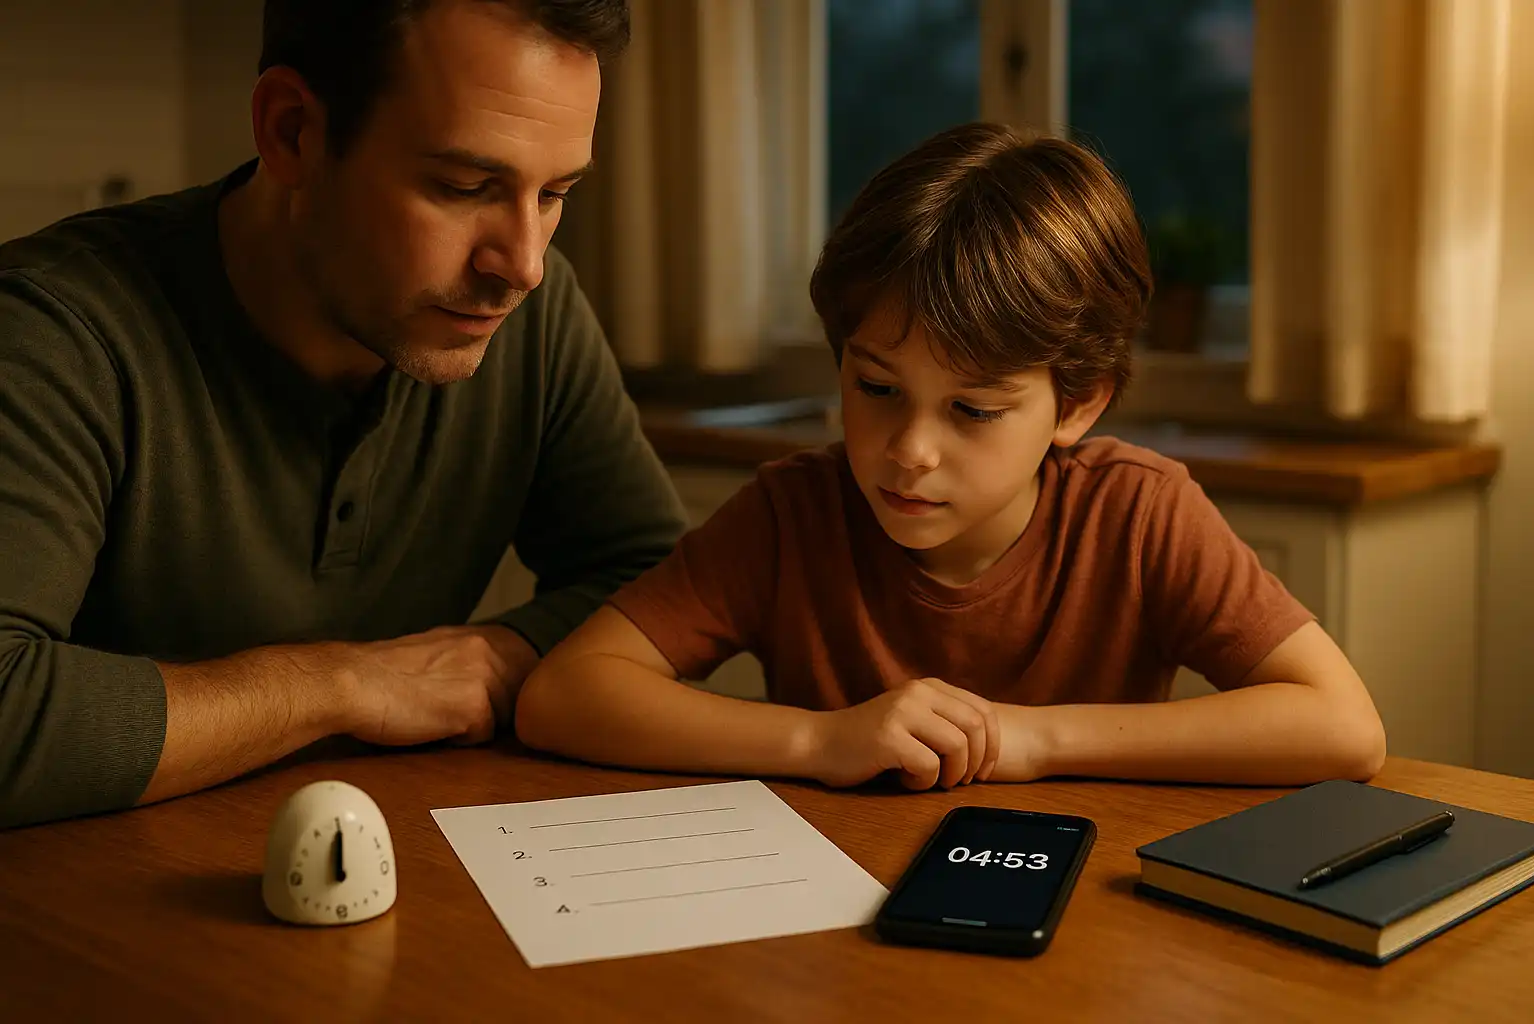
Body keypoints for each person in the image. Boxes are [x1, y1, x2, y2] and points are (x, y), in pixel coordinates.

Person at [515, 123, 1387, 791]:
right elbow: (567, 693)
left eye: (973, 409)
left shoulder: (1139, 514)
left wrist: (1026, 738)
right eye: (878, 388)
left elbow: (1344, 727)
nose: (909, 452)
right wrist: (820, 741)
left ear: (1076, 404)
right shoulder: (795, 513)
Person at [0, 0, 686, 828]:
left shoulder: (532, 318)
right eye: (466, 187)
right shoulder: (49, 334)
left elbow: (660, 591)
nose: (524, 264)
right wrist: (344, 686)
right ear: (292, 132)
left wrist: (494, 657)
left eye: (555, 194)